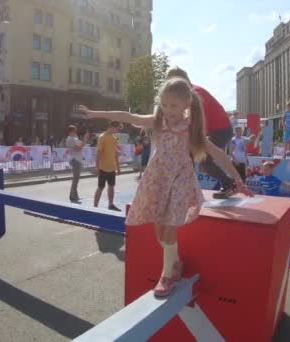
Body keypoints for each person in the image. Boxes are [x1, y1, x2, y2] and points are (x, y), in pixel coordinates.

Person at [78, 78, 252, 297]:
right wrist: (96, 114)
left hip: (179, 179)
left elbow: (219, 154)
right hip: (157, 177)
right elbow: (129, 117)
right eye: (165, 105)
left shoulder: (191, 128)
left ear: (186, 104)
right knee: (160, 230)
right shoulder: (159, 121)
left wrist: (238, 180)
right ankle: (175, 261)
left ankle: (167, 274)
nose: (169, 110)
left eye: (174, 106)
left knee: (169, 224)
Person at [166, 67, 237, 198]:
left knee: (201, 159)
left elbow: (200, 122)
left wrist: (195, 143)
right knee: (198, 159)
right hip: (216, 129)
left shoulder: (195, 94)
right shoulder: (189, 93)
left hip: (221, 130)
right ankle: (228, 184)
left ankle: (228, 185)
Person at [93, 121, 122, 211]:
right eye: (117, 128)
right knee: (100, 187)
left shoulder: (114, 138)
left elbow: (115, 154)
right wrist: (97, 168)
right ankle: (95, 207)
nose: (118, 130)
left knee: (111, 186)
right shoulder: (102, 137)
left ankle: (111, 204)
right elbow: (98, 153)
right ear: (112, 127)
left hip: (112, 168)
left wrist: (118, 167)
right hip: (103, 167)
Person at [66, 125, 89, 202]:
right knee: (76, 178)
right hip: (75, 160)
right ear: (71, 131)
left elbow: (82, 144)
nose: (76, 132)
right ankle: (72, 196)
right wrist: (84, 140)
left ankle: (75, 195)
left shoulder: (74, 139)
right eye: (75, 131)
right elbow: (78, 148)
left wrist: (85, 139)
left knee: (76, 178)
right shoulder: (70, 139)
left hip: (77, 160)